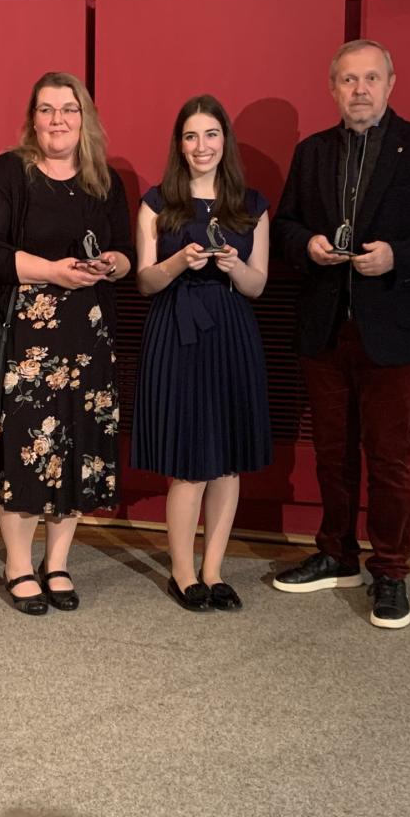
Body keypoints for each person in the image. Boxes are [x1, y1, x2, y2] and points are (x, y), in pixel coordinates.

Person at [272, 39, 410, 629]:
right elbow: (284, 225)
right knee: (332, 455)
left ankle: (390, 570)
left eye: (370, 78)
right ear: (332, 88)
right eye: (348, 79)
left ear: (391, 83)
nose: (359, 89)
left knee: (389, 459)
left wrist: (398, 256)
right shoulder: (311, 152)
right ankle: (337, 554)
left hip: (394, 331)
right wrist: (307, 245)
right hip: (325, 328)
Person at [0, 71, 133, 615]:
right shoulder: (8, 172)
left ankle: (57, 562)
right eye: (47, 109)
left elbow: (126, 253)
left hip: (89, 336)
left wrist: (111, 263)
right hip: (26, 338)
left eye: (68, 109)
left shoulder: (105, 179)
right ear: (32, 118)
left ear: (85, 117)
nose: (58, 119)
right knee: (25, 450)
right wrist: (52, 271)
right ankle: (17, 564)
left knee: (79, 447)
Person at [132, 95, 272, 613]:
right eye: (191, 136)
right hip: (176, 329)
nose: (201, 146)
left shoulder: (252, 205)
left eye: (210, 134)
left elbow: (257, 285)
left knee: (227, 464)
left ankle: (213, 570)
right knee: (189, 463)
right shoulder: (156, 202)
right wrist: (177, 264)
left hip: (231, 331)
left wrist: (235, 266)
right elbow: (145, 281)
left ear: (224, 140)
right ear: (179, 145)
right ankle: (183, 572)